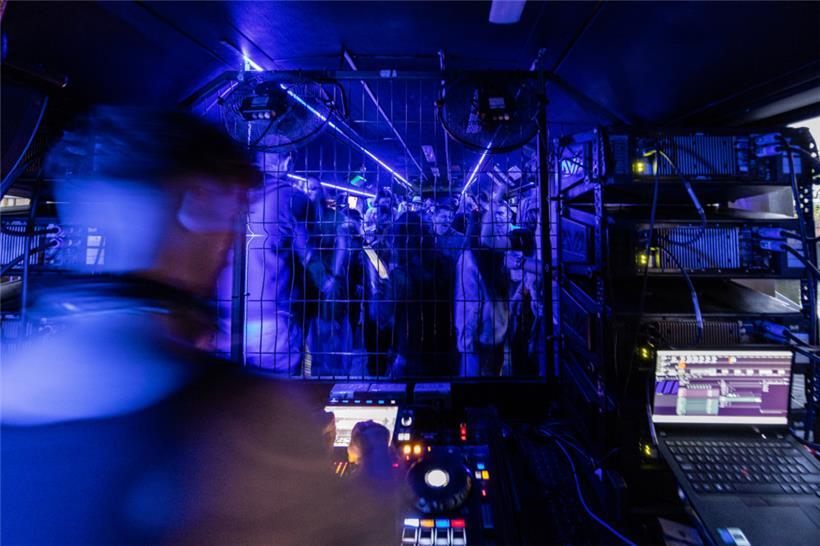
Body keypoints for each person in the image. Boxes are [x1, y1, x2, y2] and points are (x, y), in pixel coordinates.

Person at [0, 107, 396, 545]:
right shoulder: (244, 416)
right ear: (199, 202)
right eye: (234, 213)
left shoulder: (10, 378)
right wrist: (377, 456)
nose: (235, 241)